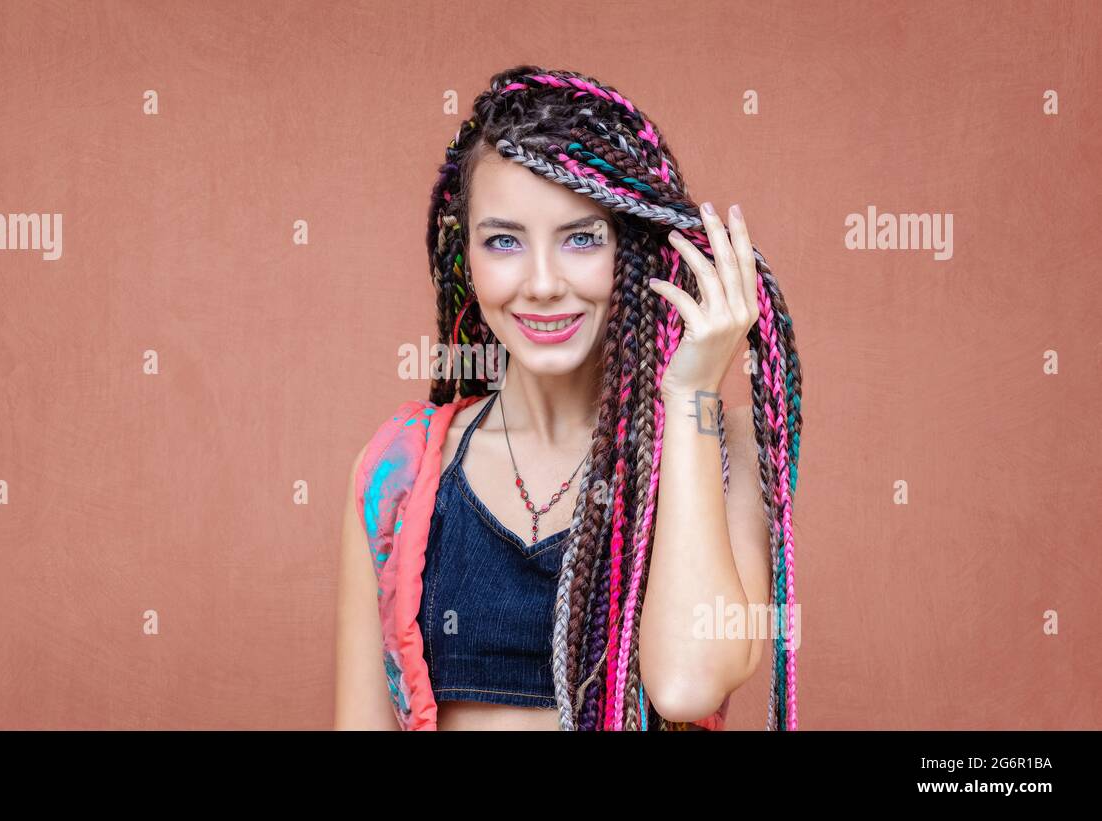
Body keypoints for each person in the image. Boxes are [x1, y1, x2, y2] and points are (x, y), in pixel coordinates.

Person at [336, 65, 803, 731]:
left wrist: (691, 390)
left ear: (638, 246)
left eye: (582, 237)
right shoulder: (400, 469)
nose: (544, 283)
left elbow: (686, 683)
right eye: (504, 240)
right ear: (467, 256)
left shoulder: (727, 450)